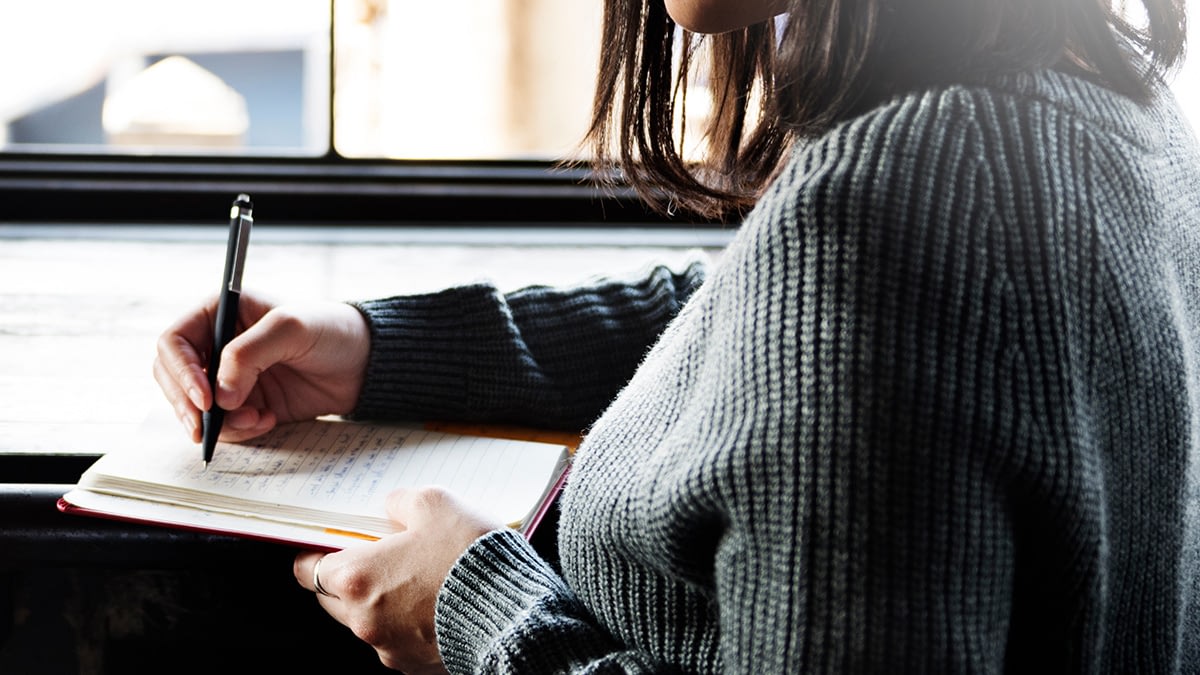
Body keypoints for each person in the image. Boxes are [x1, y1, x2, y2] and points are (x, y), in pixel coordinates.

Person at [153, 0, 1200, 671]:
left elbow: (842, 311)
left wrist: (475, 609)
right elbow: (752, 322)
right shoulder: (1098, 93)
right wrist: (376, 348)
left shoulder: (888, 216)